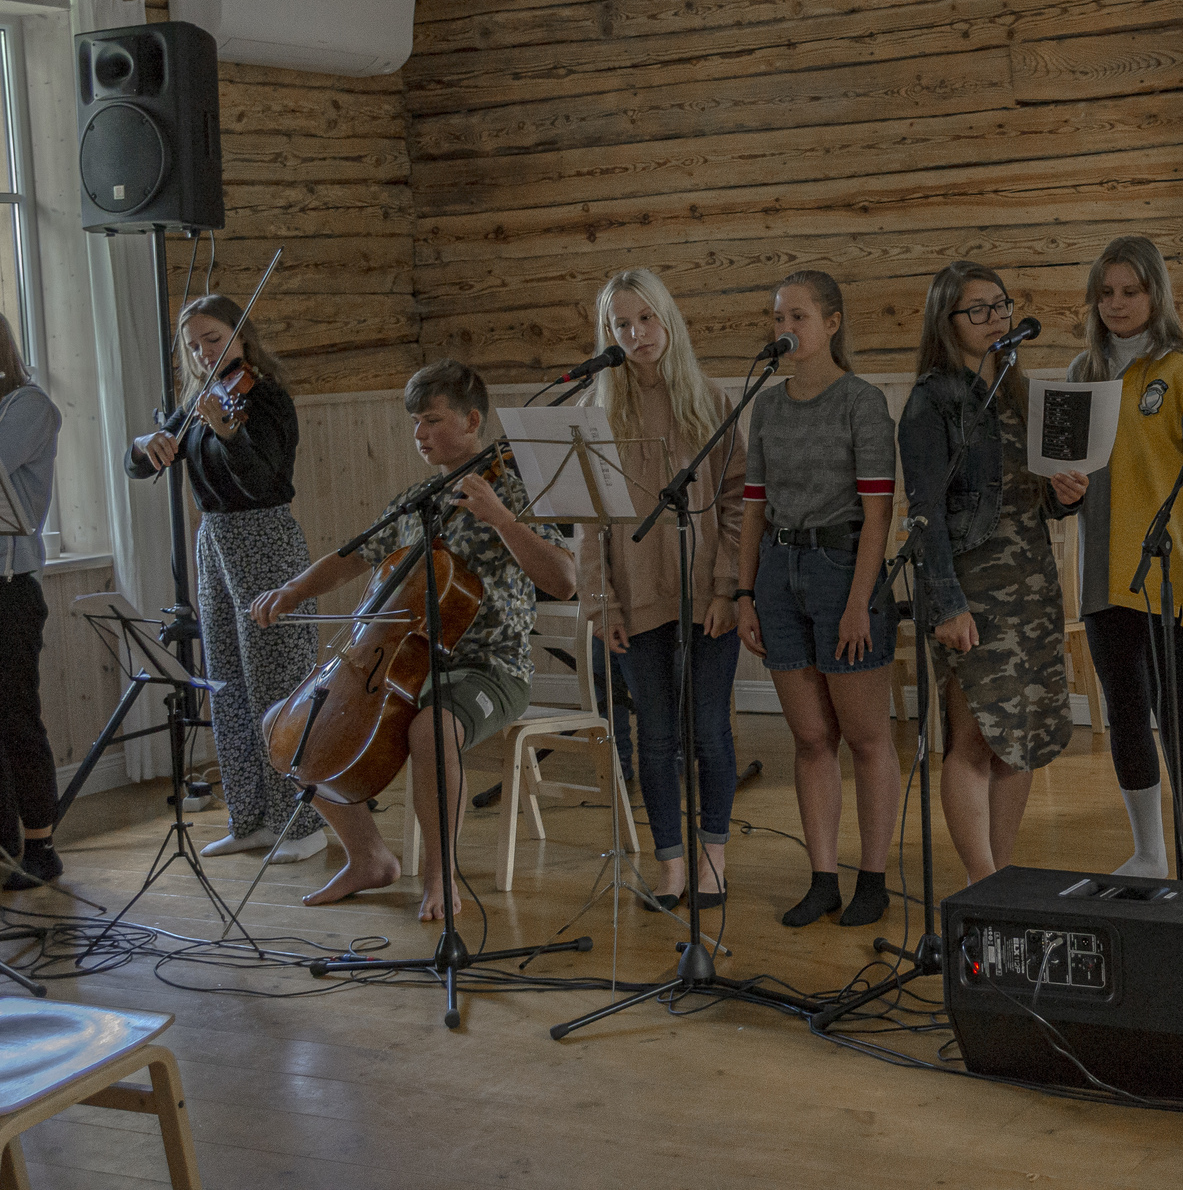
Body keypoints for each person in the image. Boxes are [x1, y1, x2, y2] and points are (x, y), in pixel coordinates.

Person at [251, 360, 576, 921]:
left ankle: (439, 877)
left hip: (491, 668)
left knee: (433, 728)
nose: (420, 433)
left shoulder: (514, 493)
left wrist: (500, 519)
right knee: (285, 726)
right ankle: (368, 857)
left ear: (472, 421)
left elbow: (564, 580)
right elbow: (352, 557)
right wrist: (294, 589)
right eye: (414, 423)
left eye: (432, 420)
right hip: (406, 665)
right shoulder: (416, 501)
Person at [897, 262, 1088, 884]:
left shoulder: (1021, 392)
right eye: (977, 310)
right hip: (971, 590)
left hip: (1032, 582)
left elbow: (1035, 498)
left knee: (1020, 735)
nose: (996, 319)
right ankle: (980, 882)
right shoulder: (932, 402)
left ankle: (1001, 877)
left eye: (1000, 305)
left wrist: (1065, 494)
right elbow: (925, 513)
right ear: (946, 322)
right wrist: (946, 603)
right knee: (975, 737)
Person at [127, 295, 328, 864]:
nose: (203, 354)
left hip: (264, 538)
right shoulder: (199, 401)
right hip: (214, 541)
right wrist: (144, 444)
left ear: (242, 335)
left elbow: (265, 482)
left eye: (213, 339)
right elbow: (140, 465)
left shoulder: (266, 399)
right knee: (229, 684)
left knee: (278, 681)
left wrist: (230, 435)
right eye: (192, 346)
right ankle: (251, 818)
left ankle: (303, 825)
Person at [1069, 235, 1183, 883]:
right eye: (1106, 293)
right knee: (1125, 717)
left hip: (1172, 578)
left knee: (1178, 720)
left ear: (1156, 295)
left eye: (1130, 292)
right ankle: (1149, 853)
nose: (1116, 304)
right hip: (1103, 577)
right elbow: (1065, 475)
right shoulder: (1081, 376)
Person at [734, 270, 901, 927]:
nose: (786, 329)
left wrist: (859, 602)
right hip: (779, 571)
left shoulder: (862, 401)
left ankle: (874, 878)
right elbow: (752, 510)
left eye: (798, 317)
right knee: (809, 738)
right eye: (779, 317)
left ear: (832, 324)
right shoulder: (767, 407)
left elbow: (878, 515)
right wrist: (744, 593)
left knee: (865, 737)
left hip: (843, 567)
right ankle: (823, 877)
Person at [584, 269, 744, 911]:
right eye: (621, 324)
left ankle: (713, 859)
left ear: (668, 318)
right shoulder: (595, 413)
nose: (636, 334)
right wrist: (602, 605)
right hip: (634, 599)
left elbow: (737, 503)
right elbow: (588, 521)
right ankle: (671, 865)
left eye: (646, 318)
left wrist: (727, 588)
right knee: (655, 735)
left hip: (707, 597)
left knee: (709, 730)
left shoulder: (711, 400)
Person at [0, 317, 62, 892]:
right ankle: (4, 850)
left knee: (17, 717)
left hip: (11, 587)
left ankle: (41, 848)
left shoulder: (30, 405)